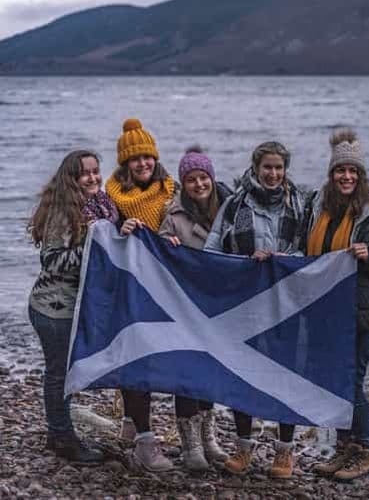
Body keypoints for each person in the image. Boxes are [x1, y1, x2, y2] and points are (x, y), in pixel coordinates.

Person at [301, 128, 369, 482]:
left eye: (352, 172)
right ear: (332, 175)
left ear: (360, 176)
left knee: (351, 380)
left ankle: (366, 450)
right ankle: (345, 449)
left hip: (363, 313)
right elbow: (303, 251)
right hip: (325, 310)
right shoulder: (315, 206)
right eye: (340, 171)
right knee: (334, 380)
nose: (346, 177)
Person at [205, 141, 305, 477]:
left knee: (286, 377)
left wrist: (281, 261)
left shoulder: (300, 203)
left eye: (279, 168)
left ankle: (284, 453)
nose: (273, 174)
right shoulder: (234, 204)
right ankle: (244, 447)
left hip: (287, 305)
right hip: (244, 304)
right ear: (256, 167)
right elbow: (212, 249)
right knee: (242, 373)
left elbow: (311, 252)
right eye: (268, 168)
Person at [27, 149, 118, 464]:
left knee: (61, 372)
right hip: (53, 308)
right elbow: (52, 261)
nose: (93, 177)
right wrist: (97, 246)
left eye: (96, 171)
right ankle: (64, 439)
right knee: (58, 374)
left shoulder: (96, 206)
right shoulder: (64, 213)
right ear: (72, 178)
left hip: (70, 306)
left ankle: (57, 433)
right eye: (86, 173)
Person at [106, 118, 177, 472]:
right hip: (130, 289)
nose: (143, 164)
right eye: (135, 159)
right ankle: (144, 441)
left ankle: (133, 423)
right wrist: (120, 228)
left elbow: (189, 224)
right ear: (125, 163)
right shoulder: (110, 197)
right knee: (134, 358)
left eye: (147, 157)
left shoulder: (172, 190)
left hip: (166, 289)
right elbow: (101, 236)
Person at [158, 147, 232, 470]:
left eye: (203, 177)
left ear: (212, 179)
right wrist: (166, 245)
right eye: (191, 179)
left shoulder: (229, 212)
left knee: (210, 372)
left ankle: (209, 438)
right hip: (185, 310)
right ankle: (190, 445)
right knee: (187, 374)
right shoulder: (173, 217)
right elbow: (157, 258)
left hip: (219, 309)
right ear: (183, 184)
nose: (199, 184)